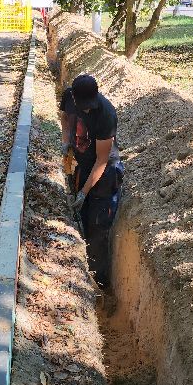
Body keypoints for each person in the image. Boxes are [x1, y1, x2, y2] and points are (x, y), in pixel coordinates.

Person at [59, 73, 124, 288]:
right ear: (75, 99)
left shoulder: (106, 113)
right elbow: (66, 118)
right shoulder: (69, 97)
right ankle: (82, 267)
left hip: (105, 173)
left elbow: (102, 160)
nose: (87, 110)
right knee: (83, 218)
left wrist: (83, 192)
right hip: (84, 165)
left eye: (90, 105)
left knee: (97, 228)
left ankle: (100, 283)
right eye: (83, 106)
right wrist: (66, 141)